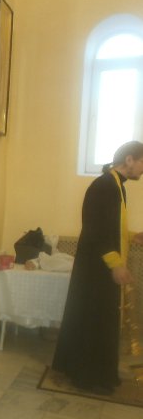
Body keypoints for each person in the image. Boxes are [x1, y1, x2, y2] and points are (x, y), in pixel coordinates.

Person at [52, 141, 143, 395]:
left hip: (102, 266)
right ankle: (86, 377)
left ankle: (99, 375)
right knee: (93, 320)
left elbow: (111, 228)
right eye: (142, 162)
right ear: (129, 160)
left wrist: (132, 236)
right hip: (96, 268)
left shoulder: (116, 186)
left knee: (100, 320)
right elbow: (95, 230)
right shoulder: (103, 186)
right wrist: (115, 265)